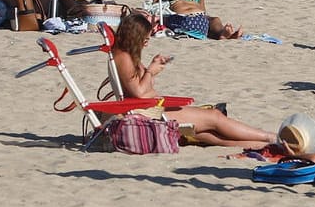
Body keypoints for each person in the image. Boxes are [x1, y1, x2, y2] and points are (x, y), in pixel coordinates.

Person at [109, 12, 275, 148]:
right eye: (144, 39)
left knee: (209, 135)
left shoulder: (125, 54)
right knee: (214, 117)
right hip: (149, 113)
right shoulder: (123, 57)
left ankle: (263, 145)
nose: (146, 43)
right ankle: (270, 137)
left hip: (152, 109)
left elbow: (139, 88)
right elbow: (138, 93)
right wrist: (150, 71)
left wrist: (151, 67)